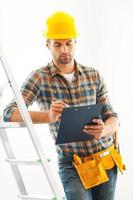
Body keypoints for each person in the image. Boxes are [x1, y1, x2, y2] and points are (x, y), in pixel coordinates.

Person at [3, 11, 124, 200]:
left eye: (69, 43)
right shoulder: (40, 78)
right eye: (57, 44)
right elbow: (9, 113)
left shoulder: (94, 75)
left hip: (105, 158)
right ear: (48, 44)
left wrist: (104, 130)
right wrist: (48, 117)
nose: (64, 49)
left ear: (76, 42)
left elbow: (113, 118)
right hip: (71, 164)